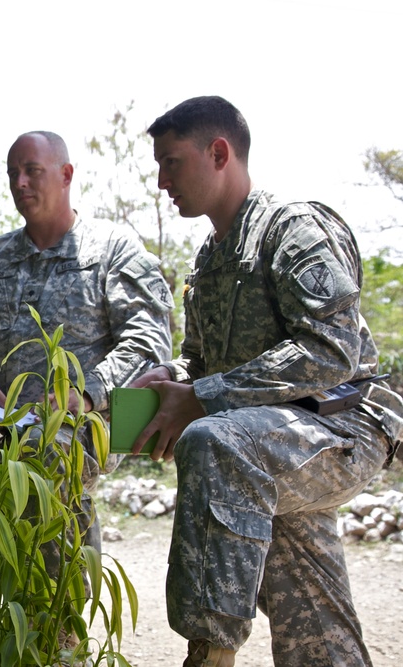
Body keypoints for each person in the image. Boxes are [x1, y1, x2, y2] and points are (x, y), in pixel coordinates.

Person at [133, 95, 403, 667]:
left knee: (213, 442)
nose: (161, 181)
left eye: (171, 162)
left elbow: (332, 352)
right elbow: (205, 366)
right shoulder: (208, 264)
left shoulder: (294, 228)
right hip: (271, 442)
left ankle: (209, 655)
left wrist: (201, 399)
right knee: (315, 622)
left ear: (219, 152)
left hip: (343, 427)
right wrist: (175, 379)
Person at [0, 130, 174, 552]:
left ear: (66, 175)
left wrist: (83, 395)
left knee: (52, 527)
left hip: (76, 428)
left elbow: (147, 341)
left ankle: (61, 614)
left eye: (32, 171)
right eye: (13, 174)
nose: (20, 183)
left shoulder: (111, 251)